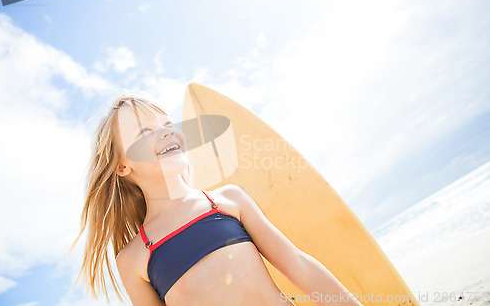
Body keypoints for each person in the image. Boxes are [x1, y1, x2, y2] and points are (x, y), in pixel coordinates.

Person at [71, 94, 363, 306]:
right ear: (122, 166)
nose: (165, 131)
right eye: (145, 132)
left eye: (167, 123)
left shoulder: (226, 201)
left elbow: (298, 266)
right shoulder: (134, 258)